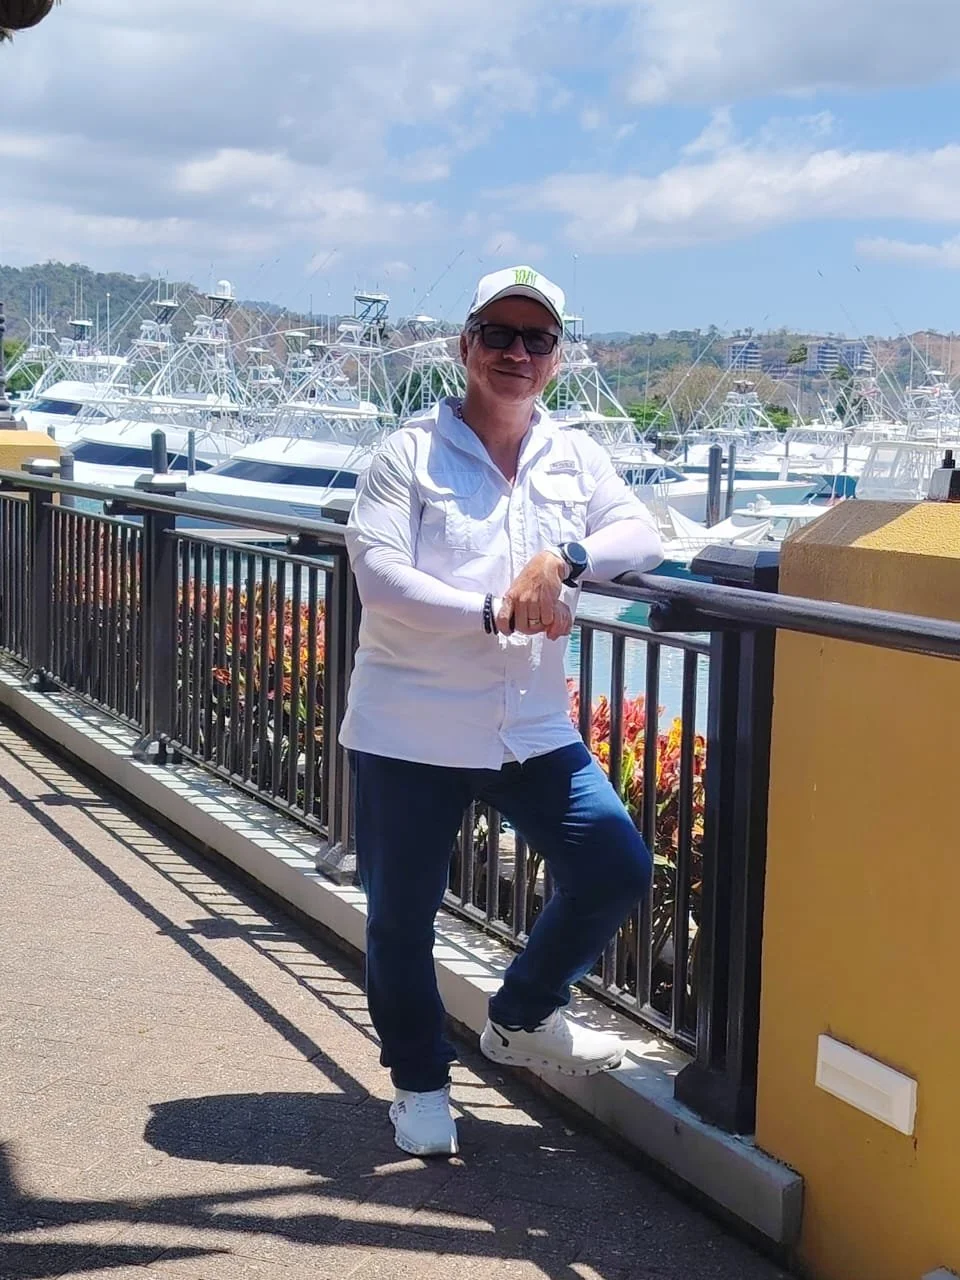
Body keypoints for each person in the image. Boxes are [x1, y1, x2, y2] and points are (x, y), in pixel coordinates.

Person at [339, 265, 664, 1157]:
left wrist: (565, 558)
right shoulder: (407, 454)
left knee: (614, 865)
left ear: (556, 357)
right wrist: (495, 611)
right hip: (411, 728)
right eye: (499, 334)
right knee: (401, 919)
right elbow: (381, 578)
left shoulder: (575, 455)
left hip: (529, 726)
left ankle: (521, 1017)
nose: (517, 353)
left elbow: (642, 533)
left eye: (537, 339)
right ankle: (419, 1084)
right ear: (465, 346)